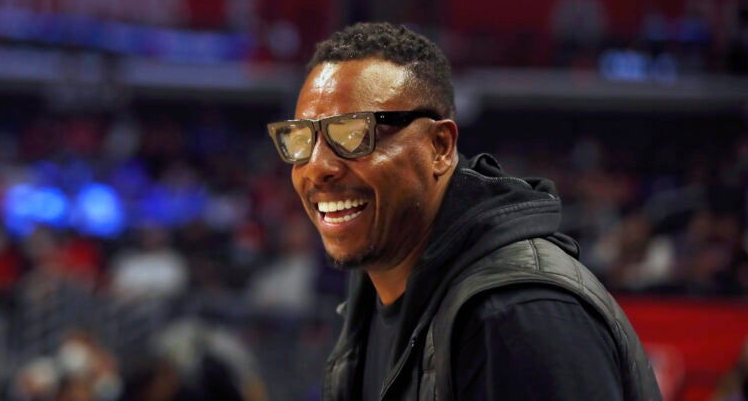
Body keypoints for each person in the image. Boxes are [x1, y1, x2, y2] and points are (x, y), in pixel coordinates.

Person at [266, 22, 661, 400]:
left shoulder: (516, 317)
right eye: (301, 138)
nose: (317, 167)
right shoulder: (373, 295)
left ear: (439, 147)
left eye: (353, 134)